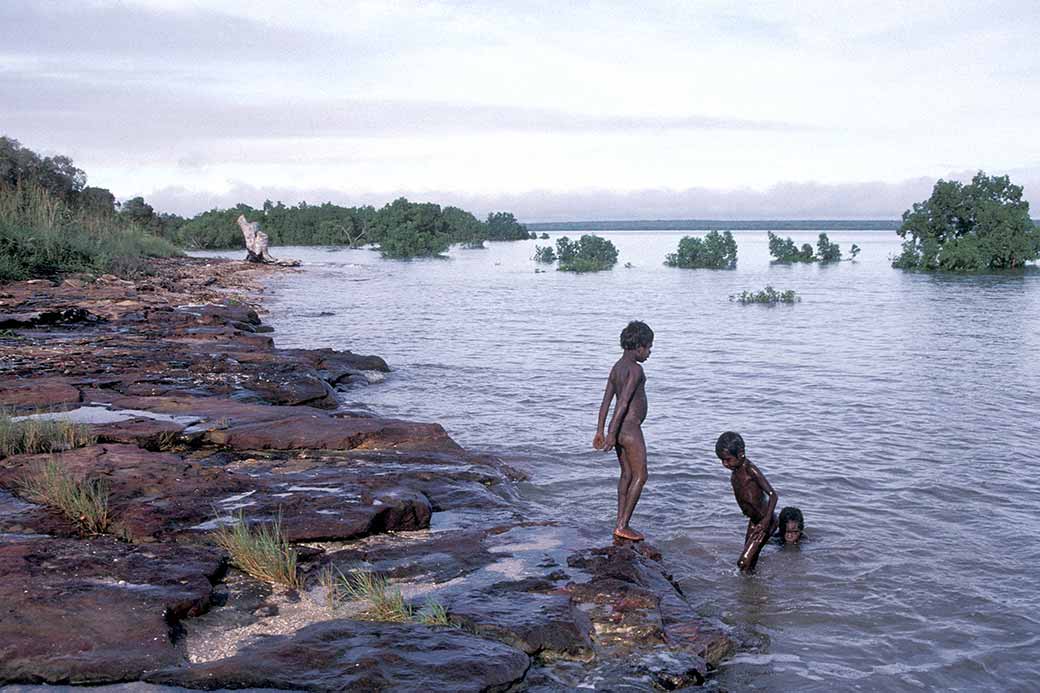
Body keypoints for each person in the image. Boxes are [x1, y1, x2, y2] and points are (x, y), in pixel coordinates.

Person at [593, 320, 654, 541]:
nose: (649, 353)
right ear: (639, 346)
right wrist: (610, 432)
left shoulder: (617, 367)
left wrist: (601, 430)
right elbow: (623, 402)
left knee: (627, 474)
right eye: (649, 348)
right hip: (629, 428)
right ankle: (623, 524)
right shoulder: (636, 369)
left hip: (620, 430)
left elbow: (605, 402)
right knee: (641, 474)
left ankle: (620, 522)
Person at [715, 431, 778, 571]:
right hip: (754, 521)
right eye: (722, 460)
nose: (725, 464)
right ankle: (753, 588)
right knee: (750, 562)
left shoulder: (750, 470)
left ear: (741, 453)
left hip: (765, 522)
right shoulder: (735, 471)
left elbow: (773, 495)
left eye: (728, 459)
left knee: (743, 562)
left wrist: (766, 521)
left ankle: (753, 586)